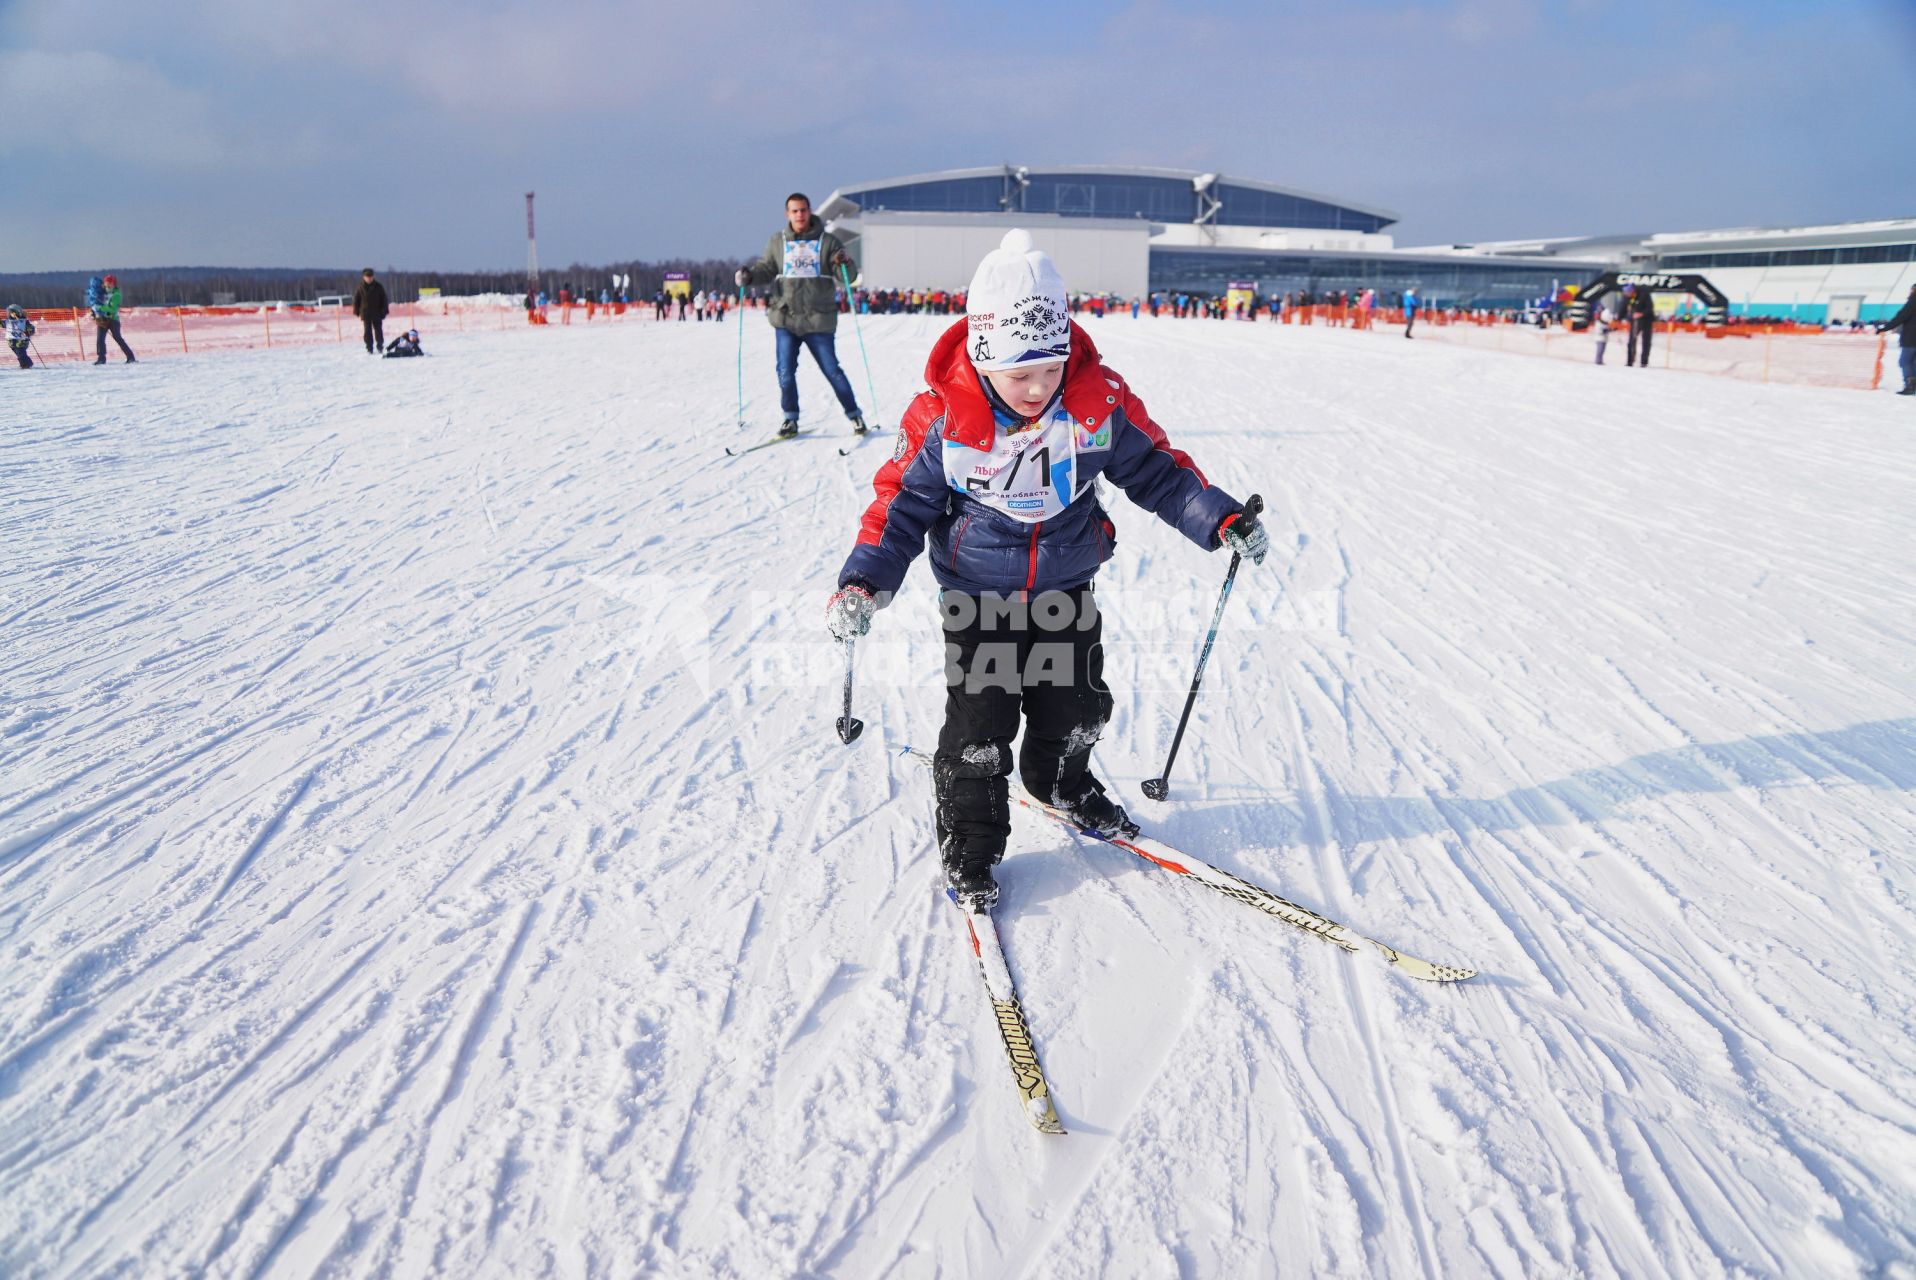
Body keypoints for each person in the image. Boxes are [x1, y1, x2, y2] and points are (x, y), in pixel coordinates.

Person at [823, 229, 1268, 911]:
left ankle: (1060, 779)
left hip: (1066, 584)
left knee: (1078, 706)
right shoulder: (945, 417)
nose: (1037, 387)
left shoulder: (1095, 402)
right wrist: (862, 582)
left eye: (1049, 368)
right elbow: (899, 506)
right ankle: (970, 840)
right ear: (982, 355)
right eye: (1018, 373)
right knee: (980, 728)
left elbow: (1157, 471)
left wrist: (1219, 518)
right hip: (977, 598)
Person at [737, 192, 866, 438]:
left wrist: (843, 262)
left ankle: (854, 415)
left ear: (810, 211)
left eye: (803, 210)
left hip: (819, 320)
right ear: (788, 214)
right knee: (784, 371)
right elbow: (766, 268)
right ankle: (790, 419)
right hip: (786, 319)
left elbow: (846, 276)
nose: (799, 215)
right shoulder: (778, 242)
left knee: (832, 370)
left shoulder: (828, 242)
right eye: (794, 211)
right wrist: (750, 276)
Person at [1876, 283, 1916, 395]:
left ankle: (1910, 386)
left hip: (1911, 338)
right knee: (1913, 362)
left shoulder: (1913, 301)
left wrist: (1885, 328)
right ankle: (1913, 386)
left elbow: (1901, 317)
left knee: (1905, 362)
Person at [88, 274, 136, 364]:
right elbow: (96, 301)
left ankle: (130, 356)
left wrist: (100, 308)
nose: (108, 286)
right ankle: (101, 358)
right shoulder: (102, 293)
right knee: (100, 339)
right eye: (106, 284)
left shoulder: (116, 295)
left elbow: (113, 309)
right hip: (102, 319)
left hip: (113, 320)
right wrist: (94, 312)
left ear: (114, 284)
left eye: (110, 284)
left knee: (118, 338)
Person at [353, 268, 390, 354]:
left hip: (377, 312)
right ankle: (369, 348)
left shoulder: (378, 286)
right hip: (366, 313)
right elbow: (356, 300)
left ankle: (380, 346)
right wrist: (356, 311)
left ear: (373, 277)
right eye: (367, 277)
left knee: (378, 330)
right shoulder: (360, 287)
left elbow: (384, 299)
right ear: (364, 277)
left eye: (371, 276)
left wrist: (384, 311)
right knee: (367, 331)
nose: (369, 278)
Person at [1625, 285, 1655, 368]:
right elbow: (1624, 308)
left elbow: (1650, 308)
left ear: (1633, 291)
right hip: (1635, 321)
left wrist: (1641, 314)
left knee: (1646, 341)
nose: (1627, 295)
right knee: (1632, 340)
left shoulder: (1644, 294)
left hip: (1647, 320)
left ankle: (1644, 362)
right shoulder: (1628, 298)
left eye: (1628, 293)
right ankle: (1630, 361)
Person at [7, 303, 34, 369]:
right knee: (19, 353)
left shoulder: (23, 321)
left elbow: (31, 329)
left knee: (20, 353)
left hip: (21, 341)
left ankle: (25, 365)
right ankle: (28, 363)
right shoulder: (9, 321)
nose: (10, 314)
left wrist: (28, 331)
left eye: (12, 313)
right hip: (12, 342)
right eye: (10, 313)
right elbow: (2, 324)